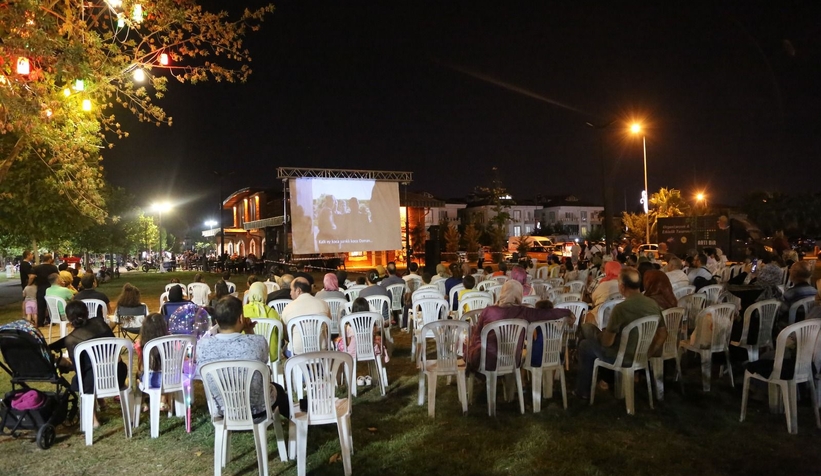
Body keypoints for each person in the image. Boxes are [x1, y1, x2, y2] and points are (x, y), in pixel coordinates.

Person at [574, 268, 667, 399]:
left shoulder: (621, 308)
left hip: (620, 355)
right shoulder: (652, 304)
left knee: (585, 345)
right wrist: (649, 352)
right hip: (640, 354)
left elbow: (607, 342)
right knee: (587, 328)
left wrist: (601, 335)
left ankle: (583, 390)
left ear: (622, 286)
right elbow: (663, 333)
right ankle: (600, 377)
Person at [196, 296, 288, 418]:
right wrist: (249, 330)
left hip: (224, 410)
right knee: (278, 389)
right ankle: (296, 425)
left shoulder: (202, 346)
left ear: (217, 321)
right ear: (241, 318)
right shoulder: (257, 342)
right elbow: (263, 359)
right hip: (258, 409)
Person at [466, 280, 574, 373]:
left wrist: (473, 350)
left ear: (502, 292)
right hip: (513, 360)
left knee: (468, 345)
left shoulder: (488, 311)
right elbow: (547, 313)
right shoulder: (524, 312)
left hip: (488, 361)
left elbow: (477, 334)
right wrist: (567, 312)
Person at [50, 301, 125, 428]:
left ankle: (94, 420)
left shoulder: (71, 340)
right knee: (93, 370)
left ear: (68, 318)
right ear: (87, 312)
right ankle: (102, 405)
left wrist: (65, 363)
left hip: (94, 382)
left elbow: (78, 368)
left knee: (83, 377)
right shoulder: (100, 323)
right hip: (118, 374)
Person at [280, 277, 331, 355]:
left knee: (285, 349)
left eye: (291, 290)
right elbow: (327, 325)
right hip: (321, 349)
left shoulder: (288, 308)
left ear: (298, 290)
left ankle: (297, 366)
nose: (290, 293)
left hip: (297, 352)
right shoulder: (323, 304)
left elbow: (286, 333)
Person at [134, 313, 171, 412]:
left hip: (150, 381)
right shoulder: (171, 341)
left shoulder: (140, 344)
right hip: (171, 379)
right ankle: (163, 400)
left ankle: (143, 403)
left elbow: (141, 366)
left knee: (138, 375)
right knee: (164, 373)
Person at [33, 255, 59, 327]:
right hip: (51, 288)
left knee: (41, 306)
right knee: (51, 305)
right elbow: (57, 276)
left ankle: (40, 322)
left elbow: (33, 277)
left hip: (40, 288)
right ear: (49, 259)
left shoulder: (37, 268)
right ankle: (52, 320)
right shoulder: (53, 268)